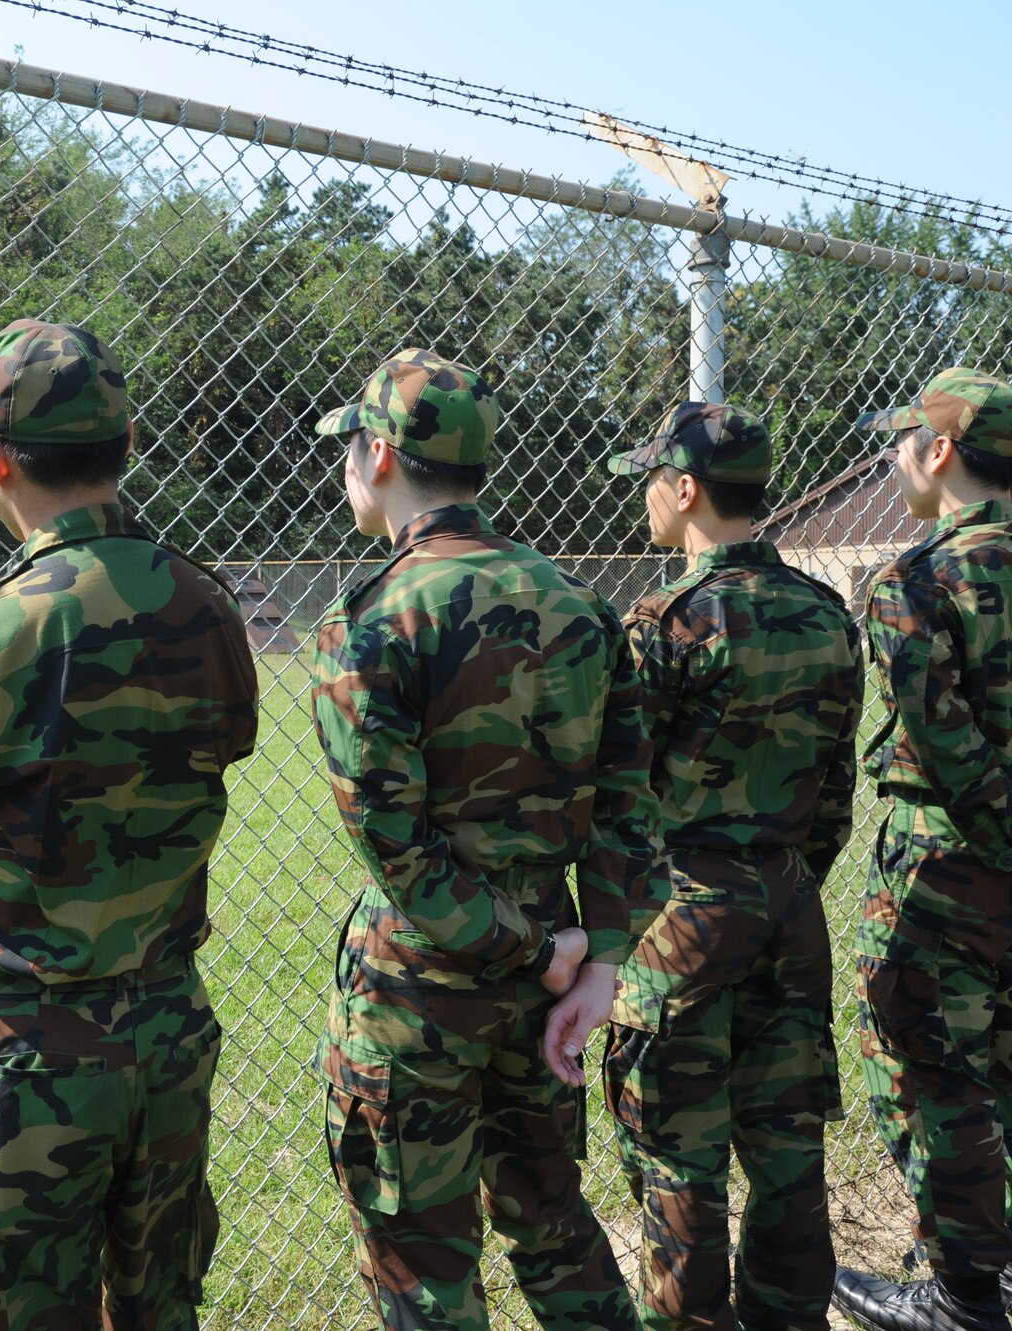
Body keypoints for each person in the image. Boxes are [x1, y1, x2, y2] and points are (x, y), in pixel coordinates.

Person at [0, 317, 259, 1329]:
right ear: (126, 449)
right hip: (170, 1028)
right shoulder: (204, 603)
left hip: (34, 1050)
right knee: (159, 1301)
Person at [308, 348, 658, 1331]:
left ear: (378, 456)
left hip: (422, 982)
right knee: (550, 1223)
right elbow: (626, 805)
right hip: (550, 968)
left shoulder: (370, 620)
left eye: (348, 449)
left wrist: (535, 948)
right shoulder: (580, 605)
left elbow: (397, 846)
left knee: (422, 1260)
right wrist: (597, 957)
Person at [601, 403, 863, 1331]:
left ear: (683, 490)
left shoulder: (667, 623)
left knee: (680, 1155)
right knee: (789, 1147)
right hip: (790, 904)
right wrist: (780, 879)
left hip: (686, 910)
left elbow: (618, 792)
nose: (644, 493)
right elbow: (836, 791)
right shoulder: (827, 612)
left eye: (650, 477)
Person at [833, 368, 1012, 1331]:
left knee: (923, 1072)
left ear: (940, 452)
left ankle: (965, 1293)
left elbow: (944, 742)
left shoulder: (916, 580)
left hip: (946, 874)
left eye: (901, 439)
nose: (892, 456)